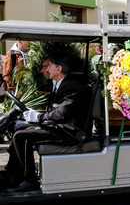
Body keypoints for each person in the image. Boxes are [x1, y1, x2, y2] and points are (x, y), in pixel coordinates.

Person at [3, 55, 85, 192]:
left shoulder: (71, 86)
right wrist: (35, 118)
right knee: (19, 127)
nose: (45, 69)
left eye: (49, 65)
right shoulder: (59, 84)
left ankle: (29, 180)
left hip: (68, 132)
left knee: (21, 136)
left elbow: (61, 114)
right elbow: (55, 111)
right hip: (58, 126)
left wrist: (39, 117)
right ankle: (14, 173)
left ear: (58, 69)